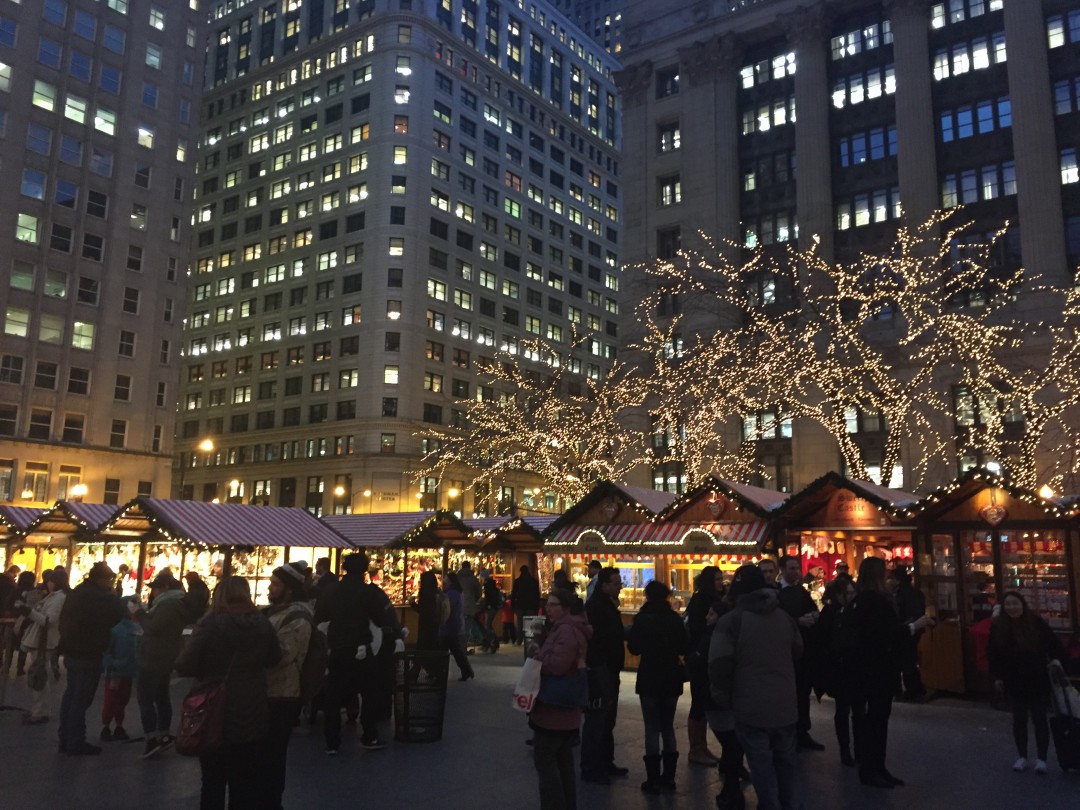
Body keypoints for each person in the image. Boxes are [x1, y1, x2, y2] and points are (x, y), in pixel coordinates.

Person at [176, 576, 280, 810]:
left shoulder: (210, 624)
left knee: (212, 781)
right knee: (243, 781)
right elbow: (274, 659)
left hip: (213, 710)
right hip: (251, 708)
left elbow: (185, 665)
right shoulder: (262, 624)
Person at [710, 564, 803, 810]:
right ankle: (790, 804)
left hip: (750, 705)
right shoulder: (784, 617)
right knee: (786, 761)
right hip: (785, 703)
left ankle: (770, 805)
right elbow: (798, 651)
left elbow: (719, 666)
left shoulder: (732, 621)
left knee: (761, 765)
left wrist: (723, 698)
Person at [846, 556, 932, 788]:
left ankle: (878, 766)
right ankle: (871, 768)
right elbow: (881, 634)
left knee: (878, 717)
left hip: (873, 666)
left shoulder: (864, 600)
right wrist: (912, 627)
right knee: (876, 718)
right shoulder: (873, 600)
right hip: (877, 667)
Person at [134, 570, 210, 758]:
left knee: (146, 699)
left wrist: (139, 613)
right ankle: (164, 734)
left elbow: (153, 628)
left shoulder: (167, 605)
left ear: (165, 588)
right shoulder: (177, 604)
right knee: (161, 696)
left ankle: (152, 738)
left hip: (153, 656)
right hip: (166, 656)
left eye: (156, 589)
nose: (153, 593)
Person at [988, 590, 1065, 775]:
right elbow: (993, 654)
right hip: (1013, 679)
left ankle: (1042, 759)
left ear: (1022, 604)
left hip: (1037, 677)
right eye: (1008, 604)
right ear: (1004, 607)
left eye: (1015, 603)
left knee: (1039, 719)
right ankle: (1022, 756)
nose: (1012, 607)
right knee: (1019, 719)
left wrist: (1055, 660)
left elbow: (1053, 643)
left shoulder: (1035, 623)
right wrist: (998, 676)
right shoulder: (999, 627)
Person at [530, 588, 592, 810]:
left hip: (554, 709)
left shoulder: (566, 631)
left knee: (547, 763)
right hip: (565, 712)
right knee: (564, 763)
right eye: (548, 604)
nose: (548, 608)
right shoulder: (566, 629)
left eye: (553, 605)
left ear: (565, 608)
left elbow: (558, 665)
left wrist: (539, 657)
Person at [627, 580, 690, 794]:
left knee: (651, 728)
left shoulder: (642, 619)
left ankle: (652, 778)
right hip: (671, 674)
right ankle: (669, 777)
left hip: (649, 674)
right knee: (668, 726)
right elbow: (684, 645)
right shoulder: (674, 619)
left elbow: (634, 648)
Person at [57, 562, 124, 755]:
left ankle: (65, 738)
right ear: (102, 579)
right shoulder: (101, 598)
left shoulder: (77, 592)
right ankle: (76, 741)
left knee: (70, 695)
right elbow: (116, 615)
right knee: (81, 699)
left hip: (71, 650)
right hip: (89, 652)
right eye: (110, 579)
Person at [263, 562, 313, 809]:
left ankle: (272, 802)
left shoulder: (297, 617)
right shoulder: (275, 612)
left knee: (273, 755)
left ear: (289, 589)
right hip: (268, 691)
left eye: (276, 584)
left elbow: (283, 655)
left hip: (282, 693)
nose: (270, 588)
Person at [321, 552, 375, 755]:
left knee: (333, 694)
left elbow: (322, 615)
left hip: (337, 645)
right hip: (361, 646)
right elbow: (379, 616)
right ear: (364, 570)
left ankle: (332, 740)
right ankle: (369, 734)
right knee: (367, 691)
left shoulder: (332, 590)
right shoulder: (368, 592)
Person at [580, 567, 628, 784]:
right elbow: (600, 637)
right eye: (616, 583)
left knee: (607, 718)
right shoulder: (596, 607)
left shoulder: (606, 605)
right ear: (605, 585)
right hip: (601, 668)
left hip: (609, 667)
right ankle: (592, 766)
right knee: (598, 718)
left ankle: (605, 762)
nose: (620, 586)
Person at [354, 552, 405, 750]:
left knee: (338, 687)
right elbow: (386, 617)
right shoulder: (373, 594)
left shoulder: (341, 591)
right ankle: (371, 728)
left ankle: (332, 739)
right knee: (372, 688)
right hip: (373, 647)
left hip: (349, 645)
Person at [699, 598, 746, 810]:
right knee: (731, 739)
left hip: (716, 696)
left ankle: (732, 783)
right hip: (727, 696)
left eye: (711, 614)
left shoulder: (711, 640)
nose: (706, 617)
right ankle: (732, 778)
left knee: (729, 739)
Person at [776, 554, 823, 751]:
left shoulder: (800, 591)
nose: (796, 572)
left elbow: (813, 610)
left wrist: (814, 616)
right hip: (787, 652)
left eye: (797, 568)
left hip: (804, 651)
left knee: (803, 692)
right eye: (792, 568)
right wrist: (797, 621)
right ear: (783, 570)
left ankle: (802, 731)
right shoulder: (777, 594)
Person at [683, 565, 724, 766]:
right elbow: (697, 627)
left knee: (703, 703)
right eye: (717, 579)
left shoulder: (711, 599)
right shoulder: (702, 601)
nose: (721, 582)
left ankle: (702, 746)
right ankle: (695, 748)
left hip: (706, 654)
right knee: (699, 702)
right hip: (701, 656)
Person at [815, 575, 857, 766]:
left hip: (851, 666)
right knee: (843, 710)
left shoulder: (853, 611)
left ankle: (855, 747)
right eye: (847, 593)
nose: (851, 596)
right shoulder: (832, 613)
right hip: (840, 668)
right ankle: (845, 748)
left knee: (853, 710)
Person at [21, 569, 68, 725]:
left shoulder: (58, 598)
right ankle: (39, 709)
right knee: (39, 674)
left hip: (43, 641)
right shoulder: (54, 597)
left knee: (39, 675)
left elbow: (49, 620)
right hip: (41, 639)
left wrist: (29, 612)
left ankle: (40, 711)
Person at [100, 596, 140, 742]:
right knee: (114, 700)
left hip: (121, 670)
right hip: (117, 671)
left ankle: (112, 725)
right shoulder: (121, 629)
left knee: (119, 699)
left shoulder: (121, 629)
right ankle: (110, 725)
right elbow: (107, 651)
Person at [890, 568, 927, 701]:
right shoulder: (915, 592)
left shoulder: (899, 594)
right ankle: (916, 689)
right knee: (910, 661)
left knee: (904, 662)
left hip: (904, 629)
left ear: (896, 579)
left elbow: (898, 612)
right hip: (915, 628)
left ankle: (911, 690)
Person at [440, 571, 475, 681]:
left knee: (449, 651)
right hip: (456, 625)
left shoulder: (451, 593)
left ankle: (441, 673)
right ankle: (466, 671)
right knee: (456, 651)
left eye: (445, 577)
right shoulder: (458, 592)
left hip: (450, 626)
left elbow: (447, 609)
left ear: (450, 580)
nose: (443, 579)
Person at [411, 570, 442, 651]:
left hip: (426, 625)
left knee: (425, 646)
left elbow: (423, 610)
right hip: (434, 624)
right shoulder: (436, 592)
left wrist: (412, 604)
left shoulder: (426, 594)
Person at [512, 565, 541, 644]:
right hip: (531, 606)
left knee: (520, 623)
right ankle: (528, 640)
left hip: (520, 605)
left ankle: (519, 639)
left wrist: (513, 606)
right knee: (529, 624)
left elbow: (513, 594)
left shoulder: (517, 581)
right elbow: (537, 595)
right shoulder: (534, 582)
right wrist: (537, 607)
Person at [457, 561, 483, 648]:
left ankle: (458, 647)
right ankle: (463, 647)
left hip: (458, 606)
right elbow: (479, 591)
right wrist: (474, 599)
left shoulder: (457, 577)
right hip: (469, 607)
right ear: (469, 567)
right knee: (467, 628)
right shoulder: (472, 578)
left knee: (458, 627)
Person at [480, 570, 504, 652]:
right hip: (493, 607)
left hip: (490, 607)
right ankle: (490, 643)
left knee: (487, 625)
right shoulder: (491, 584)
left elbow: (489, 597)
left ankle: (492, 642)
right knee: (488, 625)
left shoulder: (487, 585)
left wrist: (487, 605)